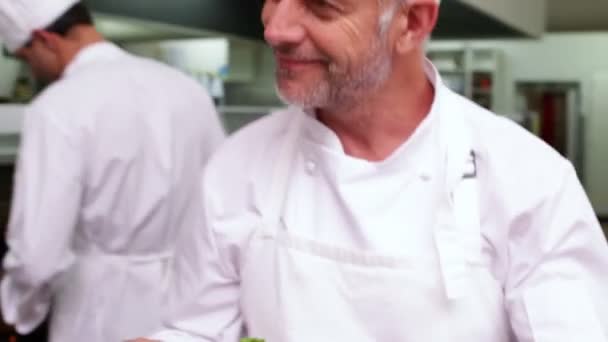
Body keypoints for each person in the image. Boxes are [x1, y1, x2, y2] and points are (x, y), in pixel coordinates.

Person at [144, 0, 608, 340]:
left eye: (320, 7)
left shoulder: (529, 180)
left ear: (412, 22)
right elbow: (198, 329)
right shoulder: (238, 163)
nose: (276, 28)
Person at [0, 0, 226, 341]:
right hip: (186, 312)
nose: (31, 71)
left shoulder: (58, 107)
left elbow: (37, 255)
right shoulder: (188, 91)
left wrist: (16, 311)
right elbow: (223, 208)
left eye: (26, 58)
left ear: (45, 39)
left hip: (98, 313)